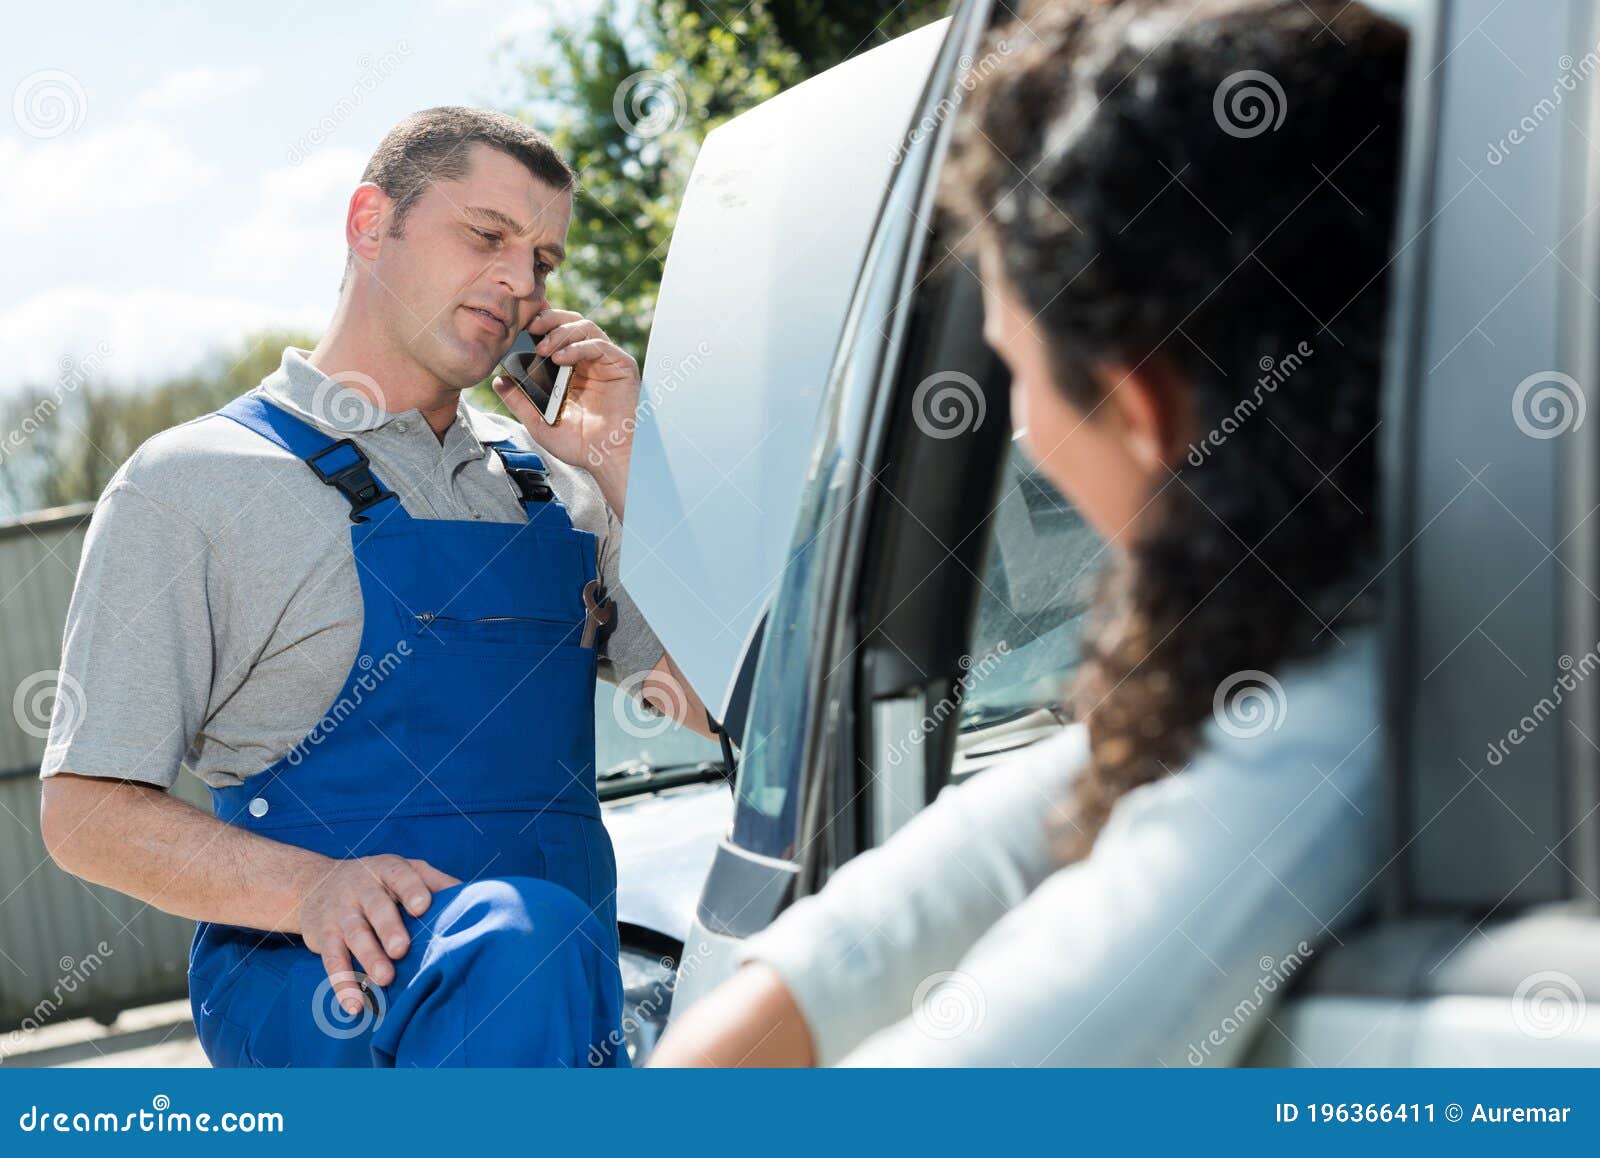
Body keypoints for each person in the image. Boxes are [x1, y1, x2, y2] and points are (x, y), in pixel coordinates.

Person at [650, 0, 1407, 1066]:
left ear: (1139, 408)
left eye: (1009, 371)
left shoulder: (1331, 735)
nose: (1016, 429)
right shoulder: (1375, 634)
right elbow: (1020, 831)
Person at [39, 107, 709, 1067]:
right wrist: (312, 890)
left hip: (563, 1011)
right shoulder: (194, 483)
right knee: (518, 941)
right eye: (487, 236)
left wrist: (622, 462)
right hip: (328, 1005)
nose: (520, 285)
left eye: (544, 262)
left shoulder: (559, 492)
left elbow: (741, 706)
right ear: (369, 223)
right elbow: (88, 813)